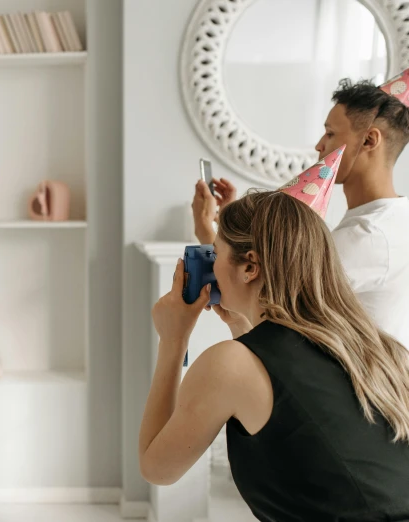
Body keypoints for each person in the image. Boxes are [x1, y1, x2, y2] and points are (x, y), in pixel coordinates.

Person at [140, 190, 409, 520]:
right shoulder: (380, 349)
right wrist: (245, 330)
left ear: (250, 266)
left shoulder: (230, 363)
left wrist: (173, 340)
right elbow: (289, 399)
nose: (211, 262)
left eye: (216, 251)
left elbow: (157, 469)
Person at [193, 76, 409, 348]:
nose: (320, 145)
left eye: (330, 133)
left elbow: (257, 293)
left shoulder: (367, 235)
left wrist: (206, 230)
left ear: (369, 140)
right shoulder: (396, 217)